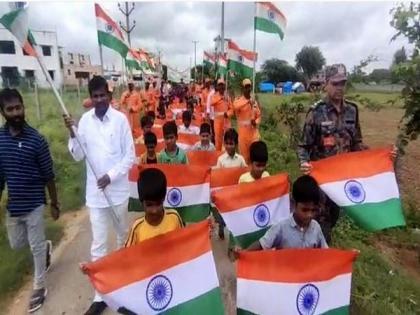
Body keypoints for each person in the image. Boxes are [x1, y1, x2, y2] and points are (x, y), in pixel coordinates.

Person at [64, 76, 135, 315]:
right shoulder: (83, 122)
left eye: (103, 95)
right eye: (95, 96)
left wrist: (111, 175)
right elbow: (77, 156)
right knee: (99, 244)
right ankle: (100, 294)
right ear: (90, 98)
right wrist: (73, 134)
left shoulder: (121, 121)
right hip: (95, 197)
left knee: (122, 239)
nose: (99, 99)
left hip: (118, 193)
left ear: (109, 95)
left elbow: (130, 157)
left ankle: (123, 286)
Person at [0, 88, 60, 313]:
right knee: (17, 244)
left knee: (34, 247)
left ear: (24, 107)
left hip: (34, 202)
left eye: (18, 107)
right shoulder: (0, 141)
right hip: (14, 206)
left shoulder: (37, 140)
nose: (16, 112)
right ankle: (45, 247)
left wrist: (54, 203)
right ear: (3, 112)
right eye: (10, 109)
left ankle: (39, 287)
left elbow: (48, 175)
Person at [297, 64, 372, 243]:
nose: (339, 87)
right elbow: (303, 146)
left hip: (342, 183)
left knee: (333, 219)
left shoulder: (352, 111)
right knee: (321, 226)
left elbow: (357, 144)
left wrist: (379, 156)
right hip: (321, 183)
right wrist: (304, 162)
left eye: (343, 83)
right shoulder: (316, 112)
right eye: (335, 83)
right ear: (326, 84)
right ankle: (318, 260)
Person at [245, 175, 328, 251]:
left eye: (313, 210)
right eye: (305, 210)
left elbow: (326, 253)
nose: (309, 215)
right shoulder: (281, 226)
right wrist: (243, 253)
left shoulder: (316, 228)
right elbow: (262, 245)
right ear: (294, 204)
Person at [125, 168, 184, 246]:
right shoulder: (137, 228)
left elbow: (183, 241)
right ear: (141, 203)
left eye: (158, 203)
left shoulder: (174, 217)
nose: (154, 211)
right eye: (149, 205)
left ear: (163, 199)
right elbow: (128, 254)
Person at [232, 78, 261, 163]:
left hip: (254, 135)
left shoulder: (254, 102)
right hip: (243, 135)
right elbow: (235, 107)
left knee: (255, 157)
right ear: (242, 88)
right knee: (245, 159)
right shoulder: (238, 101)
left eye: (249, 87)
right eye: (246, 87)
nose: (248, 89)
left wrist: (256, 122)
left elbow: (259, 115)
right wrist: (248, 101)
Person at [209, 79, 232, 151]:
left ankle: (226, 153)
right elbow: (211, 103)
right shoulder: (214, 96)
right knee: (218, 139)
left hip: (226, 120)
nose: (221, 87)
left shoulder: (227, 97)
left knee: (227, 138)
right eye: (220, 85)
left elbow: (232, 109)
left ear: (224, 86)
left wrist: (228, 113)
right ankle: (218, 154)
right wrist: (221, 98)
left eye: (222, 85)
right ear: (217, 87)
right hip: (218, 121)